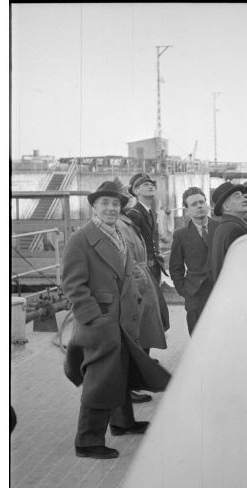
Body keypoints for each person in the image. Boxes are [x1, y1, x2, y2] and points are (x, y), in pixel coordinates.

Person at [62, 181, 170, 459]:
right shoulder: (81, 239)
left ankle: (122, 423)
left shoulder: (117, 234)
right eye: (105, 204)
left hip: (122, 319)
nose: (111, 208)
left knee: (120, 371)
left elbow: (126, 274)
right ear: (94, 207)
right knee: (100, 379)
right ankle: (87, 441)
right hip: (101, 321)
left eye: (115, 204)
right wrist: (94, 319)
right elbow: (73, 285)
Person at [169, 187, 219, 334]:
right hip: (195, 294)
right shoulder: (181, 235)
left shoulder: (221, 228)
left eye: (202, 202)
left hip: (219, 290)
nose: (199, 206)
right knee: (197, 336)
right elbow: (175, 267)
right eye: (194, 204)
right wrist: (185, 291)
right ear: (187, 210)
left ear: (207, 204)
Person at [124, 172, 170, 331]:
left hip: (153, 267)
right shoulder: (134, 214)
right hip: (143, 269)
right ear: (136, 191)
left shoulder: (149, 212)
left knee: (152, 311)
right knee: (145, 310)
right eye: (145, 184)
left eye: (152, 184)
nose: (151, 186)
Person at [209, 182, 247, 283]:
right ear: (226, 206)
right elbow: (243, 270)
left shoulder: (223, 227)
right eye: (238, 197)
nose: (245, 199)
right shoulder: (235, 229)